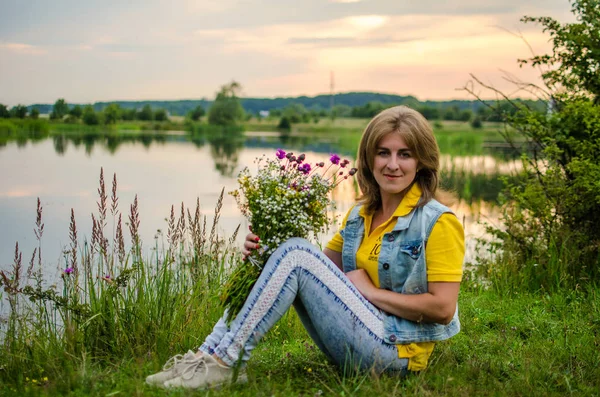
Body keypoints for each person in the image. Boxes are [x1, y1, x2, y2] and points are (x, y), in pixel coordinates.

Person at [145, 105, 465, 389]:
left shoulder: (437, 222)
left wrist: (371, 292)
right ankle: (207, 356)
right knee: (281, 253)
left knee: (294, 254)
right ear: (369, 158)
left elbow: (443, 309)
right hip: (359, 338)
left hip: (395, 354)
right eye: (383, 152)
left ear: (422, 162)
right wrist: (265, 255)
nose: (392, 164)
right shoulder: (359, 216)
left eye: (404, 154)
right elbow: (312, 272)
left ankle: (228, 362)